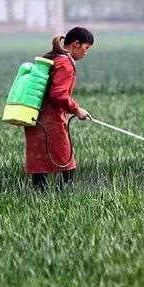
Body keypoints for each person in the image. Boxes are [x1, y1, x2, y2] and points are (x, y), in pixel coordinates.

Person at [24, 27, 93, 191]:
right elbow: (58, 94)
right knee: (66, 161)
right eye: (86, 48)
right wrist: (76, 110)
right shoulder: (66, 64)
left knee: (40, 163)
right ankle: (68, 196)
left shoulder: (53, 57)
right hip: (50, 120)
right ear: (76, 44)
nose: (86, 52)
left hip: (35, 116)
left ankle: (38, 199)